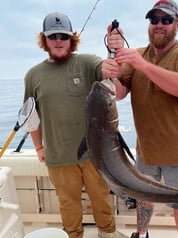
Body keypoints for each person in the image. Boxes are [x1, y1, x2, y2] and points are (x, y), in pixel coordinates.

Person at [103, 1, 178, 238]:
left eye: (166, 20)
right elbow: (117, 93)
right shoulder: (136, 55)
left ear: (177, 24)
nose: (159, 25)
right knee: (143, 198)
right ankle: (142, 233)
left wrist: (142, 65)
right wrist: (110, 58)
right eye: (154, 20)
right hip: (146, 150)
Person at [23, 12, 129, 238]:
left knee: (101, 197)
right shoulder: (33, 75)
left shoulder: (87, 62)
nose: (59, 40)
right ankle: (73, 235)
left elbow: (106, 70)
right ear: (45, 40)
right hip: (58, 156)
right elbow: (31, 117)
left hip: (93, 154)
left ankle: (108, 232)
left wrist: (114, 51)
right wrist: (39, 148)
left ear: (72, 39)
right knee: (68, 204)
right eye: (53, 36)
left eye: (64, 35)